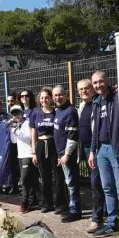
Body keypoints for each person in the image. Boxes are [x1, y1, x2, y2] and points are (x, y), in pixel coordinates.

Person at [89, 71, 119, 238]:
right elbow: (95, 130)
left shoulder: (117, 97)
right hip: (102, 150)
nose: (98, 85)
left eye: (101, 81)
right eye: (95, 83)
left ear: (107, 81)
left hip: (116, 148)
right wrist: (93, 152)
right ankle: (112, 223)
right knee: (107, 187)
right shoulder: (96, 102)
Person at [30, 87, 66, 214]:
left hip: (54, 145)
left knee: (58, 176)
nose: (44, 100)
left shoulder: (56, 112)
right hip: (40, 145)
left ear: (51, 99)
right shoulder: (35, 112)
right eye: (42, 98)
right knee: (44, 177)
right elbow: (33, 132)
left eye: (46, 97)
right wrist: (33, 152)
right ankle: (47, 203)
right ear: (39, 100)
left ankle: (61, 204)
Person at [77, 79, 106, 233]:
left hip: (97, 149)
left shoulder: (98, 103)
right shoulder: (82, 106)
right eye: (81, 89)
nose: (84, 91)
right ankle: (101, 212)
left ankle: (97, 219)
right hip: (87, 149)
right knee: (96, 183)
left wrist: (93, 150)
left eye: (87, 88)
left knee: (97, 184)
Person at [52, 85, 82, 223]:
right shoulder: (58, 111)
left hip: (68, 154)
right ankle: (71, 208)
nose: (58, 97)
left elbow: (72, 135)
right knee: (67, 181)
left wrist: (67, 154)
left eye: (60, 94)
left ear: (66, 95)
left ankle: (75, 211)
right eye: (55, 95)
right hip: (61, 154)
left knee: (71, 182)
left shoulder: (70, 111)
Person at [9, 105, 37, 214]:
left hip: (29, 154)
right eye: (14, 113)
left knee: (24, 180)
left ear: (22, 112)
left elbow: (30, 139)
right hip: (20, 155)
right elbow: (14, 141)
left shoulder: (28, 122)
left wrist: (16, 131)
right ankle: (33, 200)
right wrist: (13, 129)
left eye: (18, 112)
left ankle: (25, 202)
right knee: (28, 179)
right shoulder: (15, 125)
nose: (16, 115)